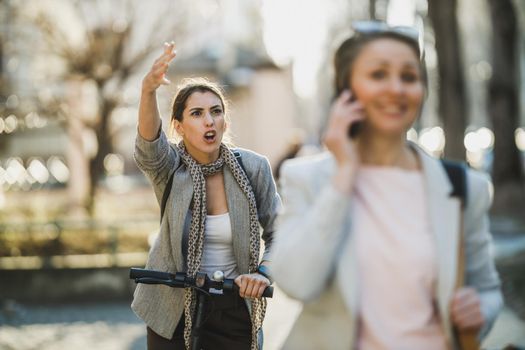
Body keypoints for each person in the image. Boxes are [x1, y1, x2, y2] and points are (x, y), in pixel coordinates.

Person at [270, 21, 502, 350]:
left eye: (409, 76)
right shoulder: (308, 179)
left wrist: (482, 311)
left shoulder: (466, 188)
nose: (396, 88)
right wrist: (344, 177)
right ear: (346, 90)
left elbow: (488, 291)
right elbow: (296, 282)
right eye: (378, 74)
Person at [131, 42, 281, 350]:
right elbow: (148, 147)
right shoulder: (171, 168)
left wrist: (263, 274)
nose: (209, 121)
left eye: (216, 111)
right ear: (179, 126)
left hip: (235, 309)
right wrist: (148, 91)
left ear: (225, 120)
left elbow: (282, 232)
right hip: (172, 310)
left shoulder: (253, 168)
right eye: (197, 114)